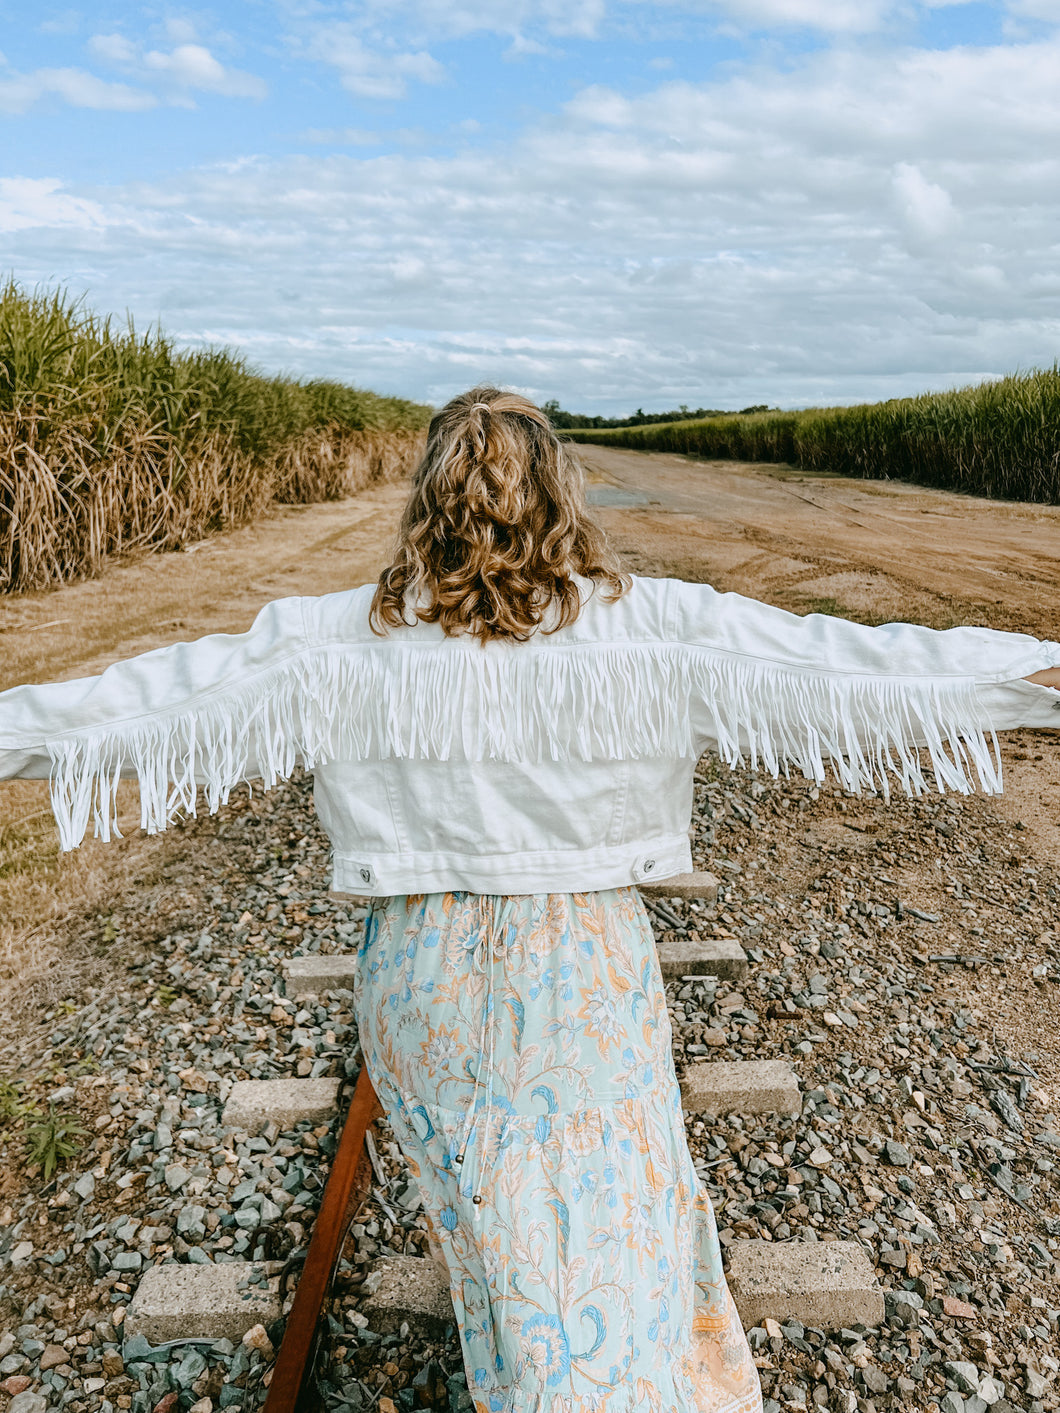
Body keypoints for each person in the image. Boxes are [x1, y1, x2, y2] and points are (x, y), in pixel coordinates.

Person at [2, 386, 1059, 1413]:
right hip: (581, 965)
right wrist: (1033, 671)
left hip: (429, 975)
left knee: (503, 1238)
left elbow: (145, 699)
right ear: (564, 492)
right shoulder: (650, 627)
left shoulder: (333, 638)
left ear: (424, 495)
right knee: (618, 1206)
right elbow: (858, 668)